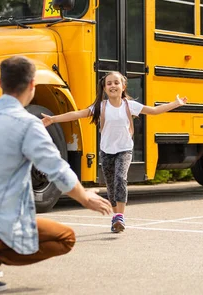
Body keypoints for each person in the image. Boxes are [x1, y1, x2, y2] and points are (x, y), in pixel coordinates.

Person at [0, 56, 113, 292]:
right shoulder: (28, 124)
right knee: (64, 238)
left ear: (0, 82)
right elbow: (56, 169)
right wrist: (85, 198)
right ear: (32, 85)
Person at [41, 71, 187, 233]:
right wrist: (53, 119)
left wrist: (175, 103)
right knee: (111, 186)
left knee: (120, 178)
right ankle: (115, 217)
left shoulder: (129, 105)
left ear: (123, 86)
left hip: (124, 149)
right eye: (109, 83)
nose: (113, 86)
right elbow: (78, 114)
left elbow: (153, 111)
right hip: (106, 151)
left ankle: (120, 216)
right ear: (104, 88)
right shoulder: (101, 106)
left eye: (116, 83)